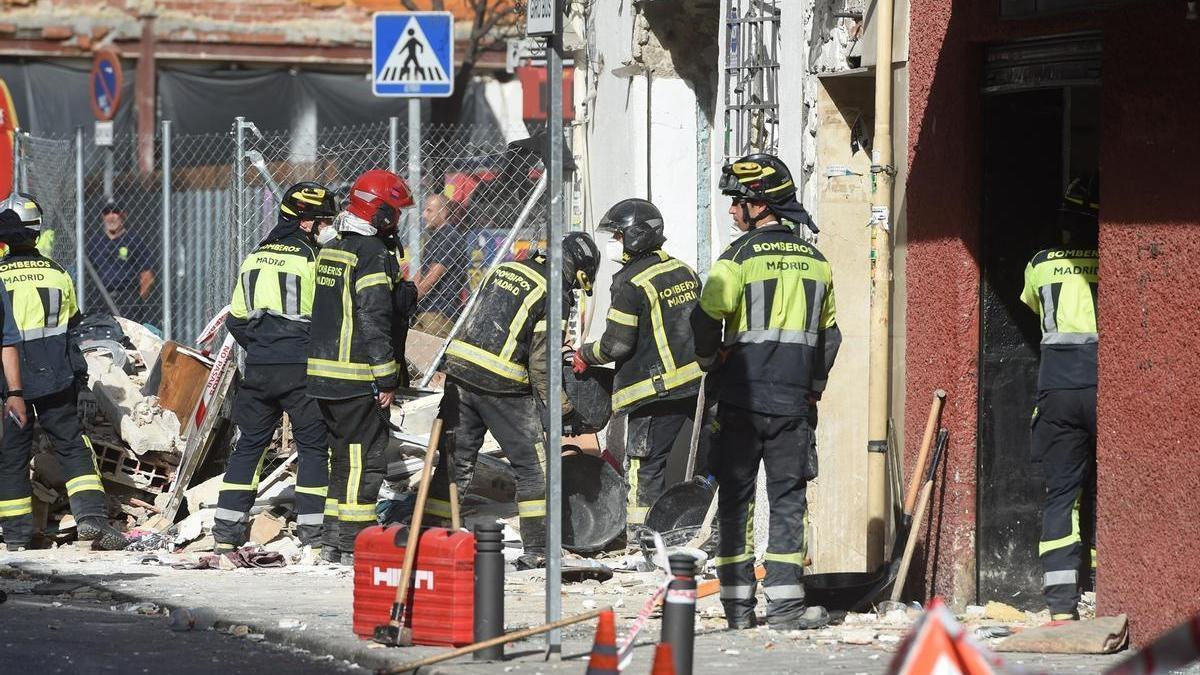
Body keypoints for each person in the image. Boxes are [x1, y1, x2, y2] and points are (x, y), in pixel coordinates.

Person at [691, 154, 840, 631]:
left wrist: (711, 363)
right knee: (788, 502)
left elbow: (704, 318)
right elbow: (830, 337)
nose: (733, 211)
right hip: (794, 405)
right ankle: (786, 610)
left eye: (738, 202)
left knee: (736, 502)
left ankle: (738, 611)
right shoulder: (817, 262)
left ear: (760, 206)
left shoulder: (735, 260)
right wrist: (813, 390)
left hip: (740, 402)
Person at [426, 232, 600, 570]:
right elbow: (542, 362)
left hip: (460, 370)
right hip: (501, 381)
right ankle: (537, 549)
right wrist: (561, 408)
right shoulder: (555, 294)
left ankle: (432, 538)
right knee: (534, 467)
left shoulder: (511, 267)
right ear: (577, 270)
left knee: (454, 462)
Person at [213, 183, 338, 556]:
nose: (327, 227)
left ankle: (225, 534)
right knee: (314, 447)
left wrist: (264, 347)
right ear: (306, 223)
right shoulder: (313, 260)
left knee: (248, 446)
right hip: (301, 365)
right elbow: (328, 319)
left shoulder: (253, 258)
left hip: (261, 366)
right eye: (324, 221)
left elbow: (235, 320)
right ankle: (314, 537)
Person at [0, 193, 126, 551]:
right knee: (72, 445)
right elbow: (74, 323)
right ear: (37, 233)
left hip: (12, 379)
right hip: (55, 372)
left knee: (14, 452)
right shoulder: (58, 274)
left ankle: (16, 535)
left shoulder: (0, 275)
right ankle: (92, 519)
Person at [572, 198, 703, 534]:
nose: (615, 244)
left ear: (636, 236)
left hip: (654, 391)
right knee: (704, 462)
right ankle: (698, 528)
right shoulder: (683, 270)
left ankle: (641, 538)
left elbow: (616, 344)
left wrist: (585, 354)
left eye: (618, 236)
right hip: (697, 386)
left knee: (644, 467)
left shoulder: (630, 282)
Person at [307, 170, 416, 565]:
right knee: (364, 462)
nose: (399, 222)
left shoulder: (333, 248)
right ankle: (355, 544)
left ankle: (334, 543)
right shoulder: (371, 256)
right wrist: (386, 376)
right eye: (396, 213)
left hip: (324, 376)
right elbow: (373, 319)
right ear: (381, 213)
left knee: (341, 461)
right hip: (356, 376)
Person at [1020, 176, 1100, 622]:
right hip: (1106, 386)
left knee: (1062, 493)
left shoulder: (1040, 264)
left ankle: (1060, 606)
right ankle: (1108, 590)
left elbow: (1034, 308)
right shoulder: (1114, 259)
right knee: (1110, 487)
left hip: (1057, 389)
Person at [87, 202, 156, 322]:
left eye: (115, 212)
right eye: (107, 212)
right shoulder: (95, 243)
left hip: (127, 299)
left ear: (123, 215)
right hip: (101, 300)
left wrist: (136, 301)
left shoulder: (134, 240)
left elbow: (147, 277)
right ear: (103, 216)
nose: (111, 216)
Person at [412, 192, 469, 337]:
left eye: (429, 210)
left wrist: (406, 300)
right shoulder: (434, 238)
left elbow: (432, 277)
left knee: (427, 358)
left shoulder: (449, 237)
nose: (424, 215)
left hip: (439, 313)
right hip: (424, 310)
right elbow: (420, 273)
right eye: (424, 210)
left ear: (443, 213)